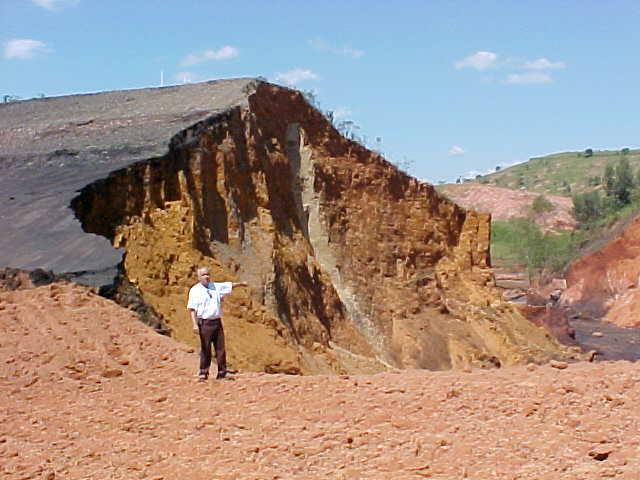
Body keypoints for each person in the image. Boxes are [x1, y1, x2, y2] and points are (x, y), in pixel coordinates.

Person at [187, 267, 247, 381]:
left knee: (220, 348)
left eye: (208, 274)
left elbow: (229, 285)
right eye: (204, 275)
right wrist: (194, 324)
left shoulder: (215, 286)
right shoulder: (195, 290)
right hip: (204, 322)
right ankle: (203, 372)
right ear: (199, 277)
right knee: (206, 348)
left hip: (216, 321)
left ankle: (222, 372)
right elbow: (192, 309)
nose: (206, 276)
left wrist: (241, 284)